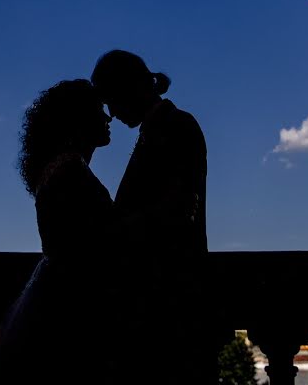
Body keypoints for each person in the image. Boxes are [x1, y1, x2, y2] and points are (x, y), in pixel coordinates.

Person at [0, 79, 116, 385]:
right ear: (77, 119)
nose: (107, 117)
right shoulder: (70, 171)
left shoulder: (60, 168)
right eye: (98, 110)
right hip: (72, 309)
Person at [90, 50, 212, 385]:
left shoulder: (175, 126)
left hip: (165, 296)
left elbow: (174, 210)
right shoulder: (167, 126)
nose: (111, 113)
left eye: (111, 100)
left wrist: (109, 232)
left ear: (131, 88)